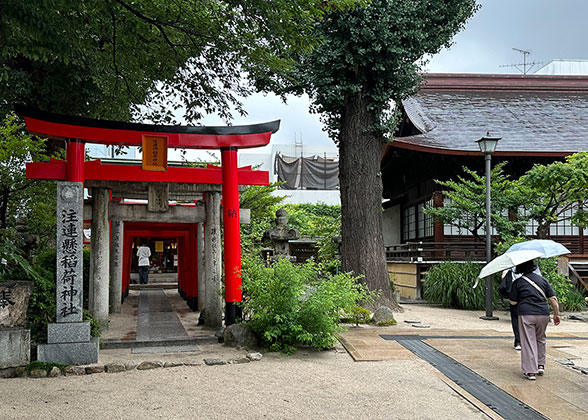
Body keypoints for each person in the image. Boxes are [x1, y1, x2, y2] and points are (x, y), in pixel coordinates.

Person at [509, 259, 561, 380]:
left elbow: (513, 302)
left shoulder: (518, 282)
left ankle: (531, 371)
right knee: (541, 338)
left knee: (528, 341)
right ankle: (540, 365)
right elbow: (553, 299)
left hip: (526, 313)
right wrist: (556, 314)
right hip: (543, 313)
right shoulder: (543, 280)